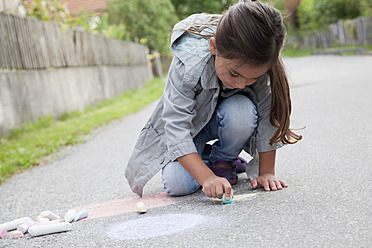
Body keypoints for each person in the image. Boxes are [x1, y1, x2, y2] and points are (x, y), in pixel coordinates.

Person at [125, 0, 302, 201]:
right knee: (178, 184)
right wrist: (207, 178)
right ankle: (207, 158)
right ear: (214, 47)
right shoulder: (188, 65)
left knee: (241, 111)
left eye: (251, 78)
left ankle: (225, 159)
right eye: (234, 74)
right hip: (189, 129)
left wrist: (266, 172)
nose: (242, 85)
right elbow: (176, 128)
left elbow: (267, 116)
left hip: (229, 118)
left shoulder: (260, 65)